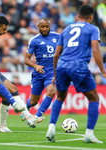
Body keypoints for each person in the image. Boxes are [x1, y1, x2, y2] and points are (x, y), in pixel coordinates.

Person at [46, 4, 106, 144]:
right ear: (91, 17)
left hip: (61, 66)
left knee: (60, 97)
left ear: (78, 16)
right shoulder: (93, 28)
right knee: (94, 98)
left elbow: (56, 55)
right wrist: (103, 70)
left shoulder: (66, 29)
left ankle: (51, 129)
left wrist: (55, 74)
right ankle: (89, 134)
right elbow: (96, 50)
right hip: (78, 66)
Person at [21, 18, 60, 121]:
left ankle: (36, 117)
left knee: (51, 91)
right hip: (39, 73)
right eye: (42, 26)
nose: (44, 29)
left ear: (50, 26)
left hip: (51, 73)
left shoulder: (58, 37)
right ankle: (26, 107)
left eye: (47, 26)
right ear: (38, 26)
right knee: (34, 102)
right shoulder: (34, 40)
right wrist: (35, 66)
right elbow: (26, 60)